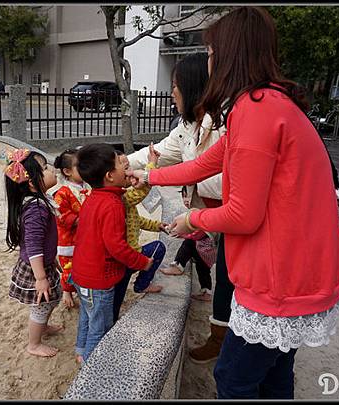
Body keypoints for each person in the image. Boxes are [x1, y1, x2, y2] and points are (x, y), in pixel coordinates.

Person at [129, 7, 339, 399]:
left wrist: (191, 219)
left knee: (233, 378)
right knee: (275, 375)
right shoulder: (271, 103)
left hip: (281, 278)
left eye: (212, 52)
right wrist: (148, 175)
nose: (210, 62)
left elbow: (243, 215)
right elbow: (201, 165)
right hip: (306, 268)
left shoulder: (254, 111)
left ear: (229, 54)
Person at [128, 52, 230, 362]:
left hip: (230, 213)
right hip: (213, 215)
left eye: (176, 85)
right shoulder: (187, 127)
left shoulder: (226, 125)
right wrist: (108, 166)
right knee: (223, 269)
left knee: (230, 274)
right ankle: (222, 335)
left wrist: (192, 213)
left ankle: (224, 338)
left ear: (194, 85)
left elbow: (207, 174)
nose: (172, 92)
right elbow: (159, 156)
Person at [71, 143, 153, 363]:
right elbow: (116, 246)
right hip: (99, 280)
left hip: (82, 275)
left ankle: (80, 351)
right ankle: (91, 370)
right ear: (109, 175)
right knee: (101, 327)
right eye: (120, 164)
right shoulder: (112, 204)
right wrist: (142, 262)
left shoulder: (94, 197)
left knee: (87, 317)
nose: (125, 167)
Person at [5, 148, 64, 358]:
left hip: (43, 263)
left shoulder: (40, 200)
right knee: (40, 305)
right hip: (35, 269)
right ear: (32, 182)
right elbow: (34, 244)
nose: (52, 170)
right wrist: (40, 277)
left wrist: (52, 259)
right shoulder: (36, 208)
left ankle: (43, 327)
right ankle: (34, 343)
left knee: (50, 301)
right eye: (46, 168)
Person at [112, 146, 167, 324]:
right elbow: (142, 190)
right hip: (125, 258)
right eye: (126, 168)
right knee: (116, 297)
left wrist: (157, 225)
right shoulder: (119, 199)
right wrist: (151, 165)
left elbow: (137, 221)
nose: (130, 172)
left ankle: (140, 285)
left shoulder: (121, 197)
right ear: (110, 175)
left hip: (127, 257)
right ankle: (111, 324)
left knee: (117, 295)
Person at [52, 148, 91, 312]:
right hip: (69, 238)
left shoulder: (87, 186)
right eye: (79, 166)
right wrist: (78, 220)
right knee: (69, 267)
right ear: (67, 171)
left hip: (85, 235)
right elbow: (61, 215)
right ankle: (67, 291)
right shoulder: (62, 193)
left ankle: (82, 289)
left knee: (84, 264)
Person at [160, 187, 213, 302]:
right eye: (184, 196)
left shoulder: (200, 212)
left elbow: (198, 235)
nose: (186, 200)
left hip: (206, 248)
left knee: (190, 246)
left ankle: (178, 266)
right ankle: (206, 291)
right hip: (204, 247)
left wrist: (183, 235)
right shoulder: (194, 212)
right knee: (202, 268)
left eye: (189, 196)